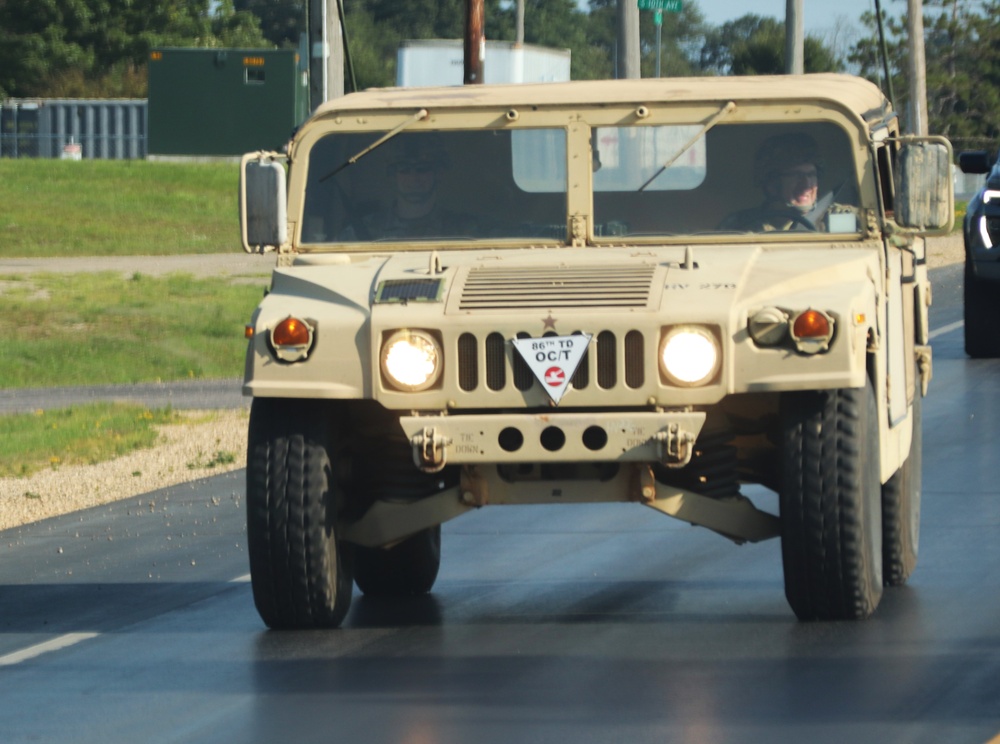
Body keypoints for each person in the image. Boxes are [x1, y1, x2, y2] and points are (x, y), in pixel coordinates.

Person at [347, 136, 478, 240]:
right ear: (393, 175)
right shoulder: (363, 231)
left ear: (438, 173)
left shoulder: (464, 230)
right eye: (404, 170)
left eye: (422, 169)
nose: (413, 178)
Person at [719, 133, 836, 232]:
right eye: (796, 175)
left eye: (811, 175)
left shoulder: (834, 218)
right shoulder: (738, 224)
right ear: (773, 184)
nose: (806, 185)